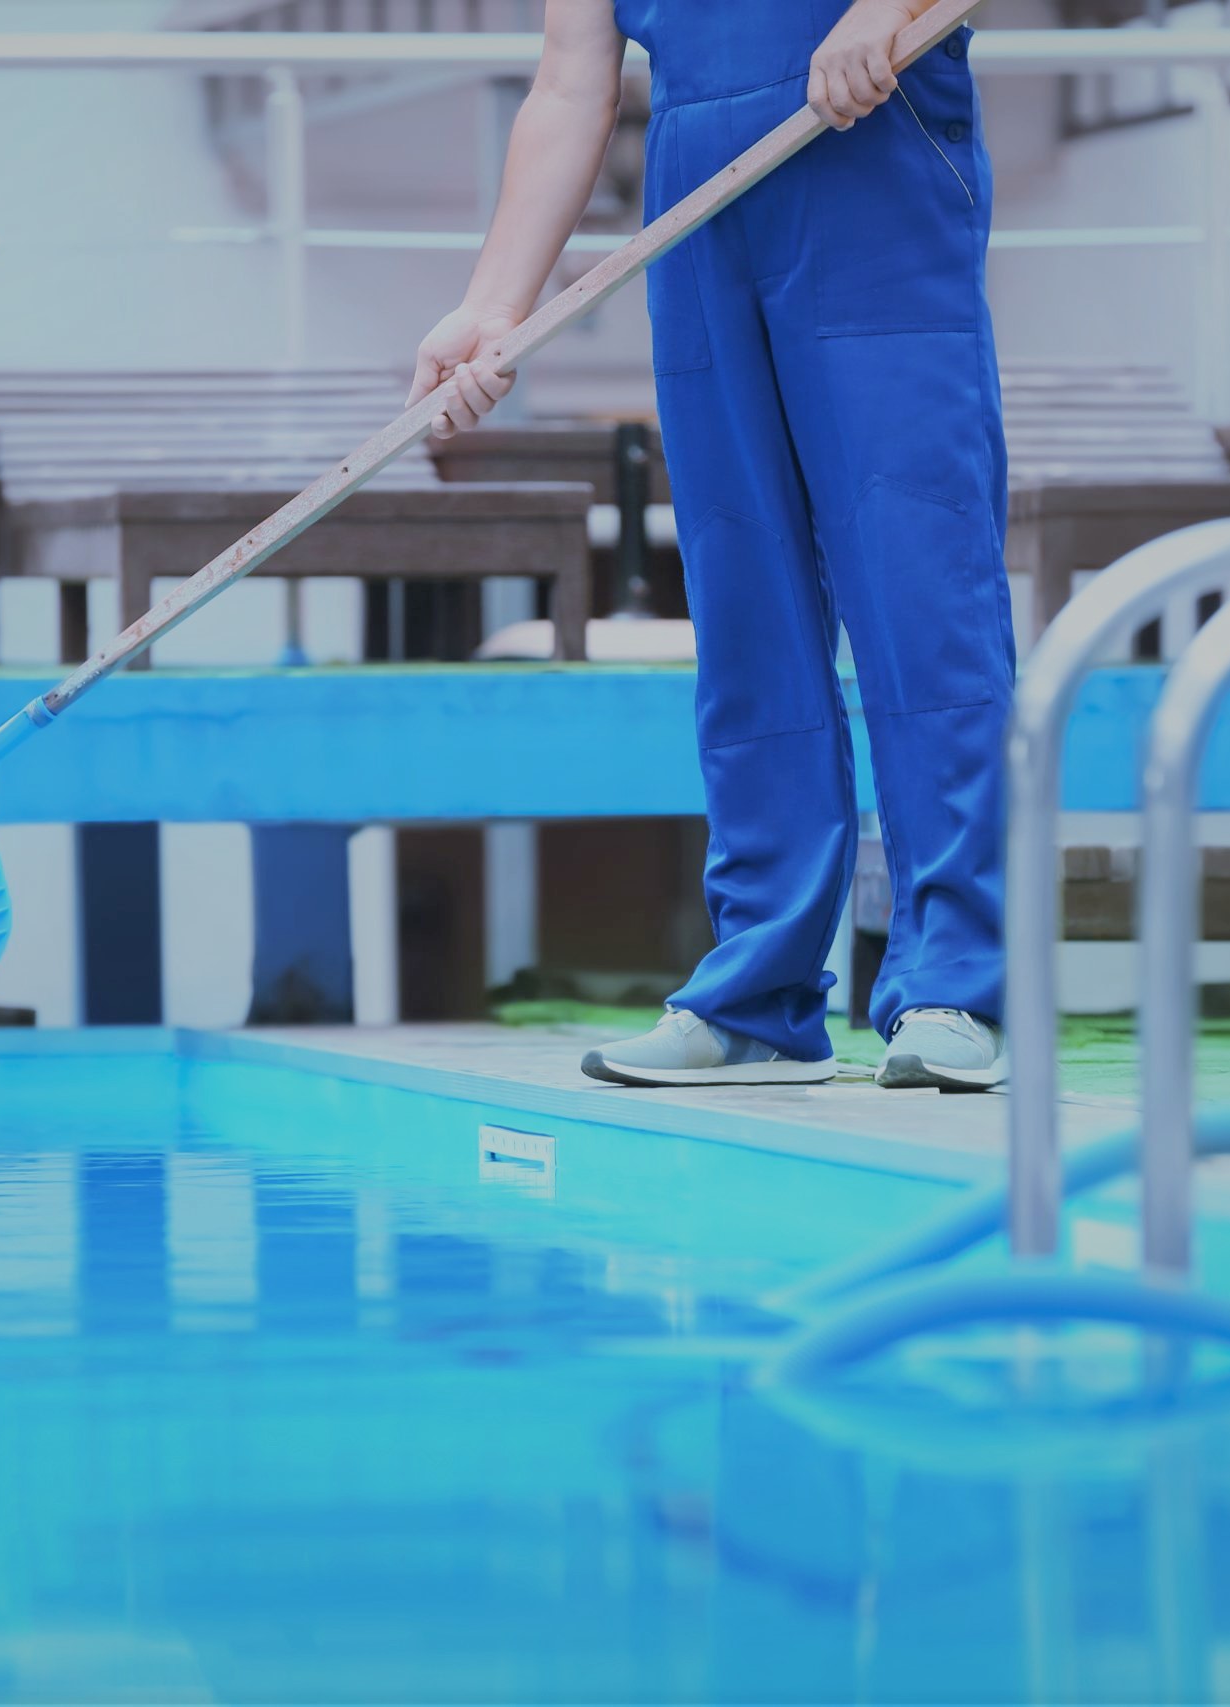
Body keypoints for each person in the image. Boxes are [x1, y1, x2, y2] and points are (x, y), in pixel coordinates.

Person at [411, 0, 1011, 1091]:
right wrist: (491, 307)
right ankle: (758, 1000)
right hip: (698, 200)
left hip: (868, 156)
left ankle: (955, 983)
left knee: (917, 584)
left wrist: (885, 10)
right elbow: (569, 79)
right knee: (746, 605)